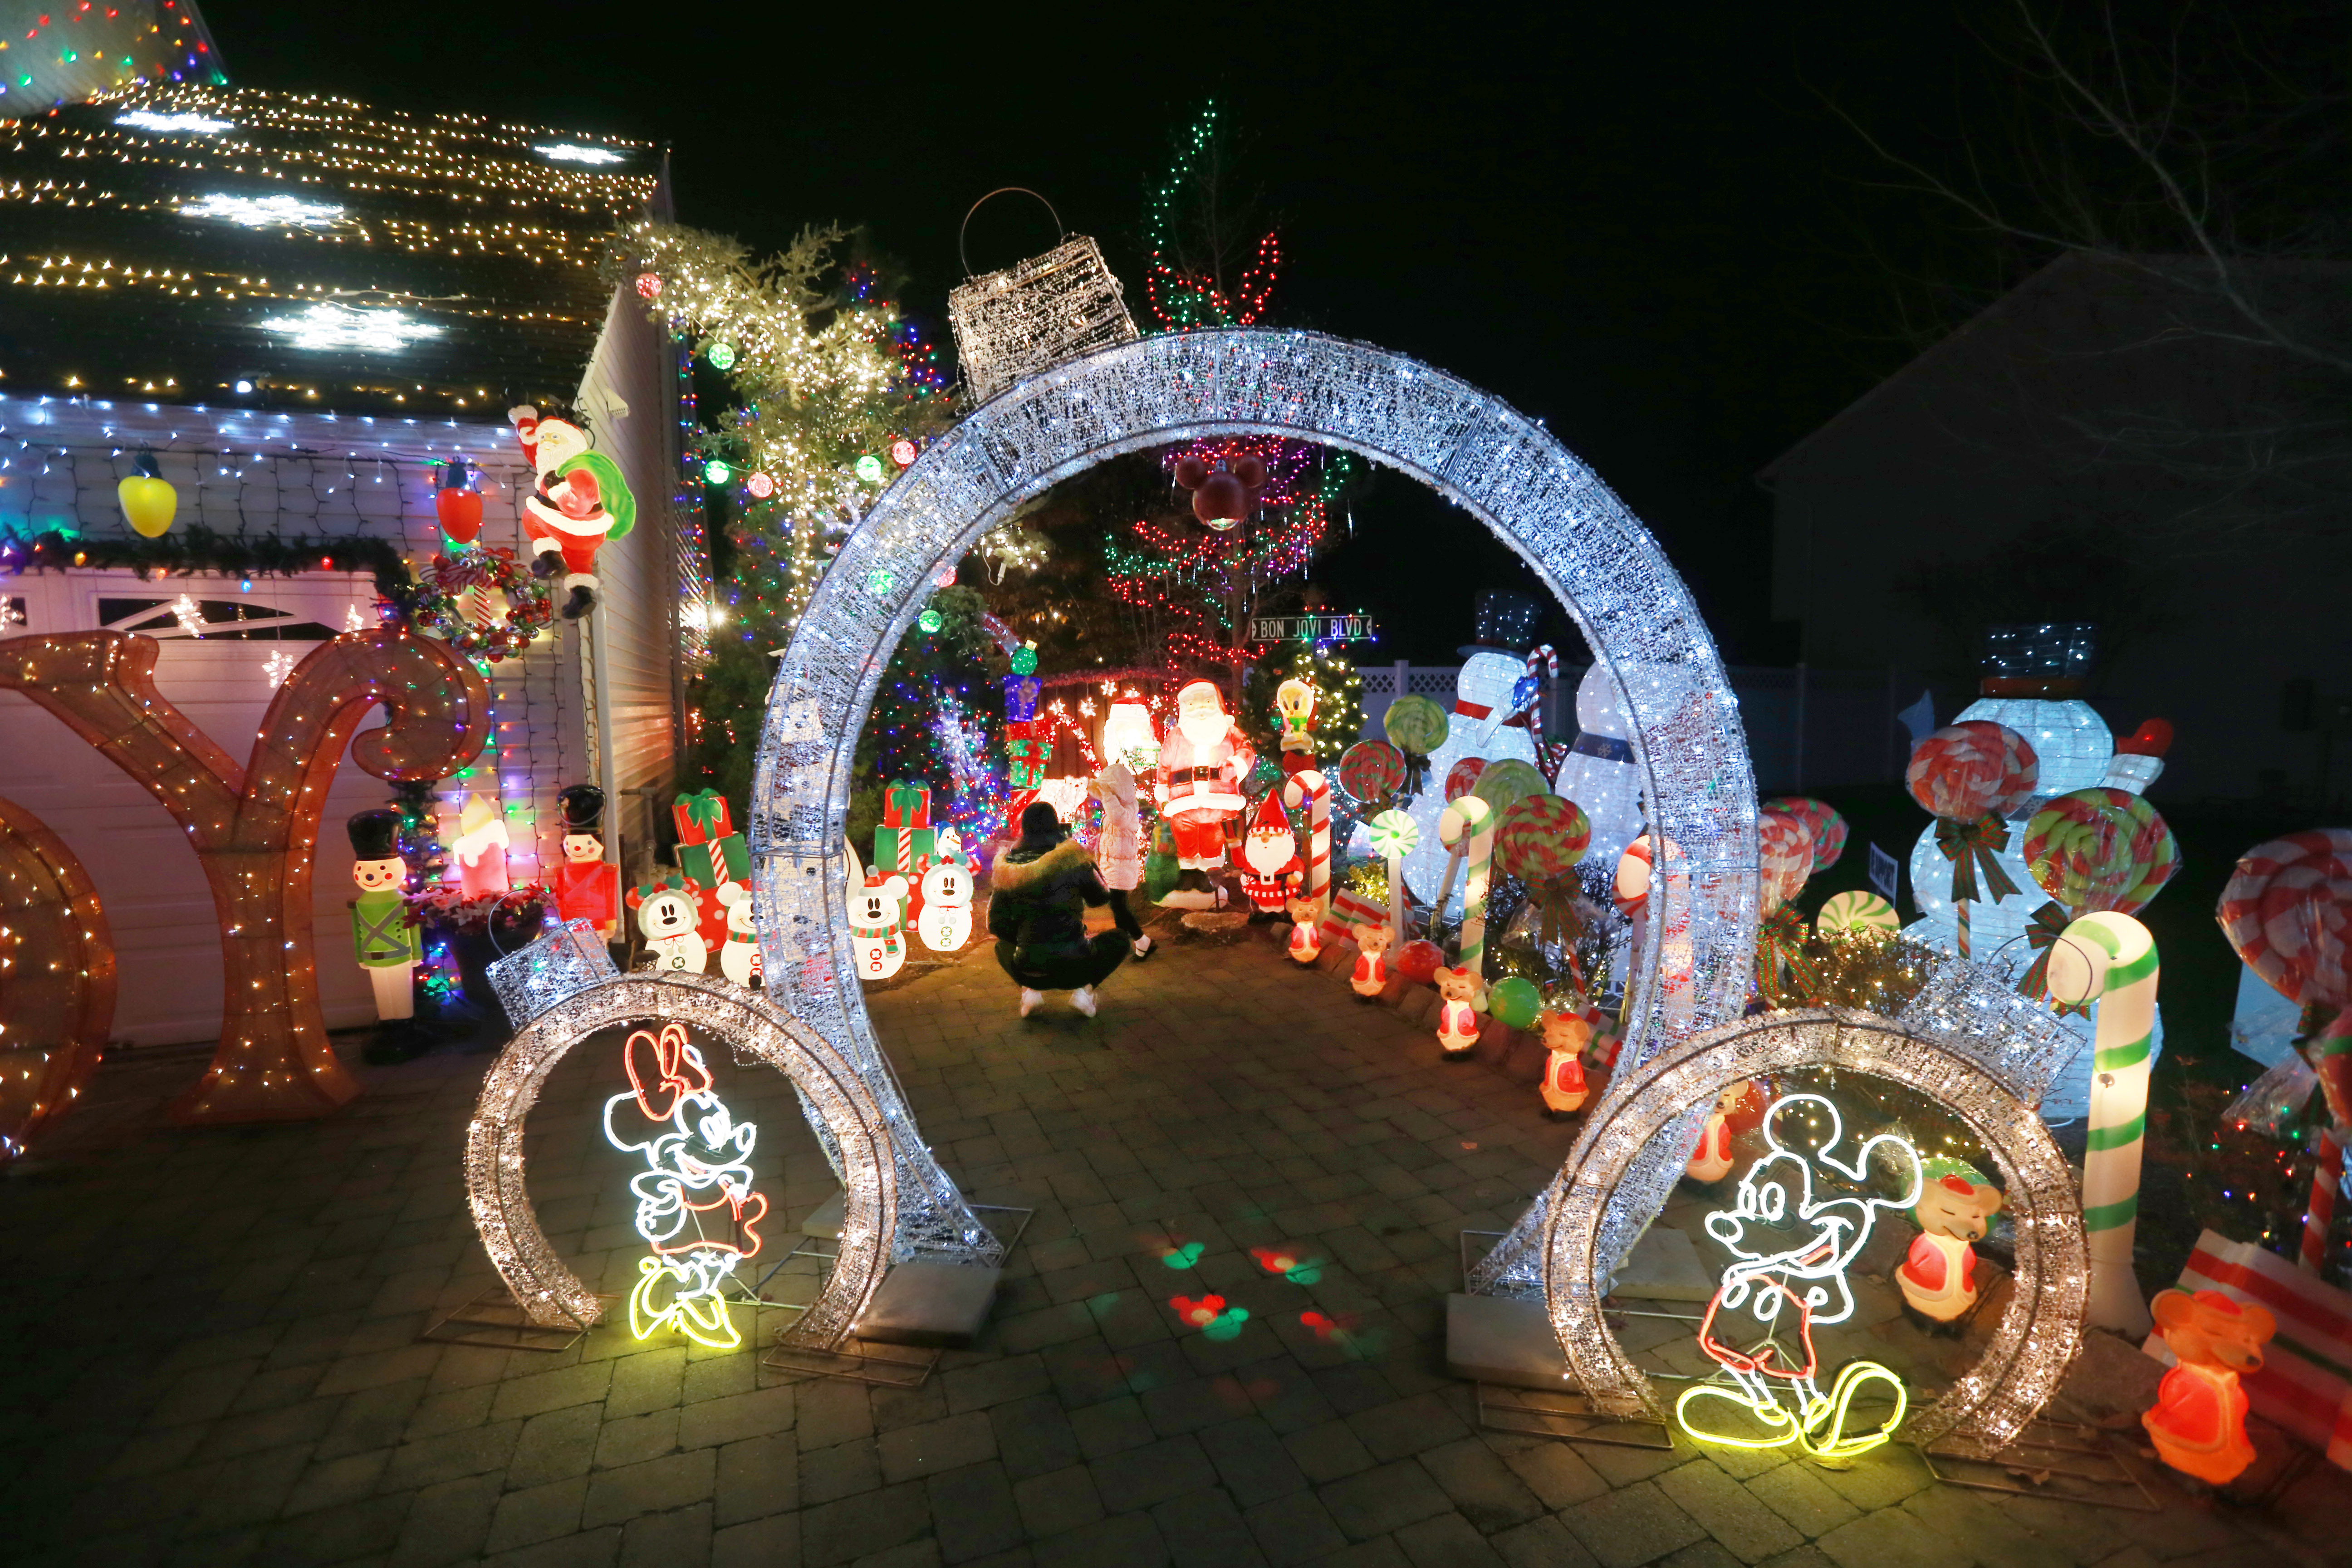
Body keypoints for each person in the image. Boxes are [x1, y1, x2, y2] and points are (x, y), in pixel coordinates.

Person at [988, 803, 1129, 1017]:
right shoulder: (1073, 858)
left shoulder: (1008, 867)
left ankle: (1031, 992)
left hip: (1029, 968)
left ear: (1024, 828)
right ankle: (1084, 992)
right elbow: (1101, 897)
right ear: (1056, 825)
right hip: (1076, 967)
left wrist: (1024, 939)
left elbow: (995, 924)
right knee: (1120, 940)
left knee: (1002, 947)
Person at [1091, 763, 1153, 960]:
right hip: (1113, 866)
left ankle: (1142, 941)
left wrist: (1108, 794)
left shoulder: (1126, 811)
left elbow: (1117, 818)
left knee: (1119, 907)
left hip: (1120, 867)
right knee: (1118, 907)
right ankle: (1126, 943)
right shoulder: (1122, 809)